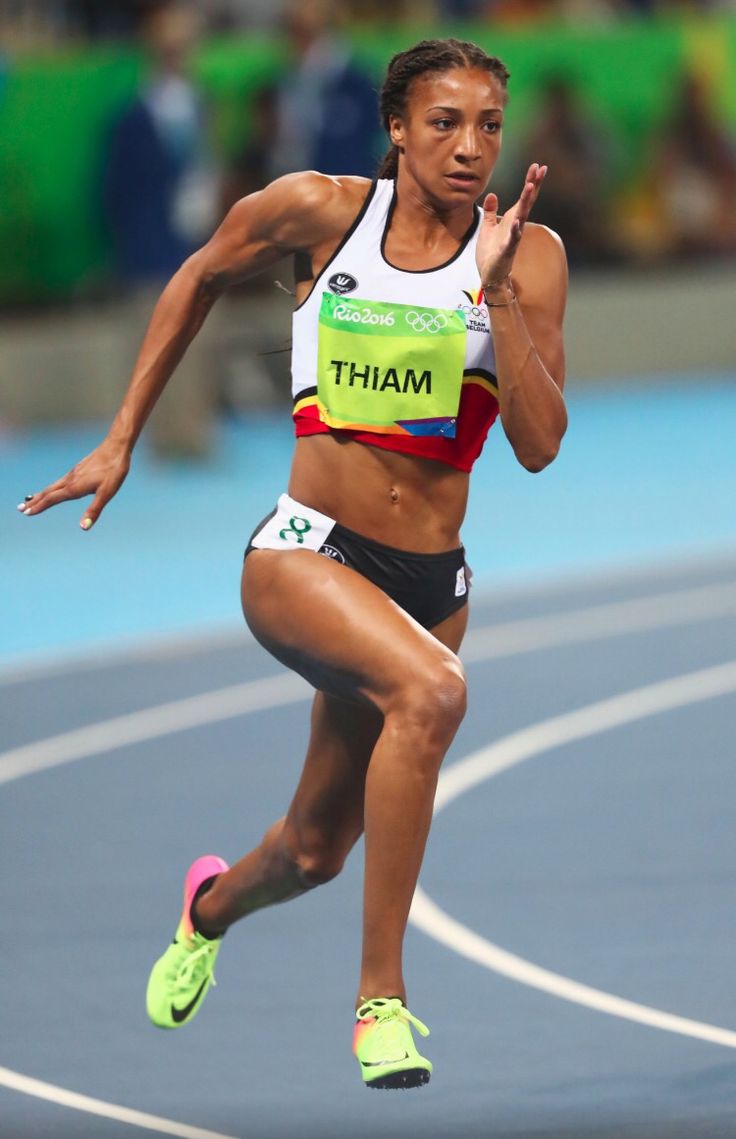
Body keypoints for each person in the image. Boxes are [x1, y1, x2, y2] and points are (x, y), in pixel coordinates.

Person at [18, 37, 568, 1089]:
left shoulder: (529, 256)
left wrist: (496, 295)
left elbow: (539, 445)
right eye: (444, 122)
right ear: (396, 127)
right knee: (432, 693)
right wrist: (123, 434)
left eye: (489, 125)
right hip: (304, 551)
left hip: (429, 582)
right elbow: (198, 273)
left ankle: (208, 907)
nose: (469, 146)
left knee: (315, 850)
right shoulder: (321, 212)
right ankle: (381, 1002)